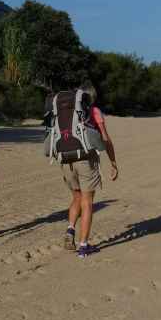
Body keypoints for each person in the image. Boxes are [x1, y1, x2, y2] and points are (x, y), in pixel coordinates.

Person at [61, 83, 119, 258]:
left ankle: (70, 230)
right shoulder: (94, 111)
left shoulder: (67, 112)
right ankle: (84, 246)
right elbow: (105, 138)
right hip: (86, 159)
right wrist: (113, 162)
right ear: (91, 97)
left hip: (66, 159)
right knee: (87, 201)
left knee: (76, 197)